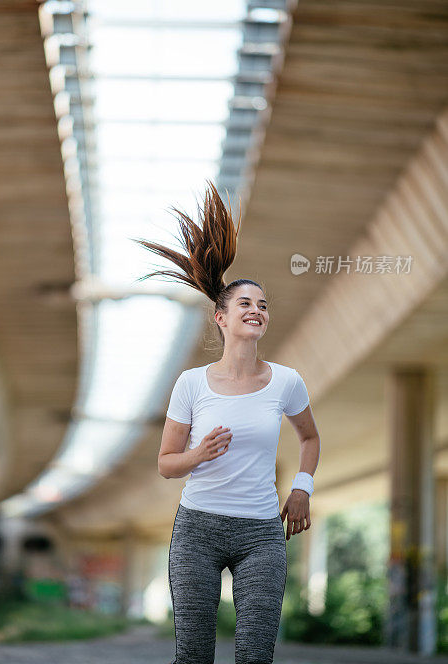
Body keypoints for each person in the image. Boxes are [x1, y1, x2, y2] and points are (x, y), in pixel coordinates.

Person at [131, 179, 321, 664]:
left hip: (261, 533)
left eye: (263, 305)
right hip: (197, 529)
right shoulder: (191, 384)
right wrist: (199, 454)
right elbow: (167, 465)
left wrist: (301, 488)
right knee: (193, 655)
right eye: (245, 303)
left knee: (255, 657)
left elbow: (310, 437)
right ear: (221, 318)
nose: (256, 310)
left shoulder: (286, 381)